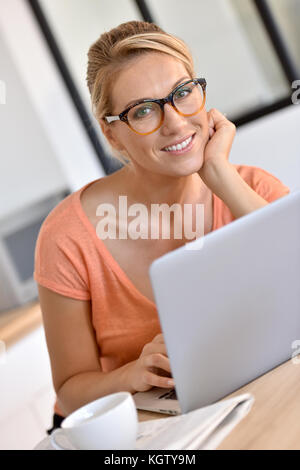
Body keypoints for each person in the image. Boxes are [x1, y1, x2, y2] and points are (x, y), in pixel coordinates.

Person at [33, 20, 290, 433]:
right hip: (123, 431)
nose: (174, 122)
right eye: (144, 110)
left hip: (235, 400)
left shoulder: (252, 189)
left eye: (183, 93)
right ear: (112, 135)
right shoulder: (68, 237)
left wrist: (221, 175)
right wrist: (132, 375)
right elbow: (69, 390)